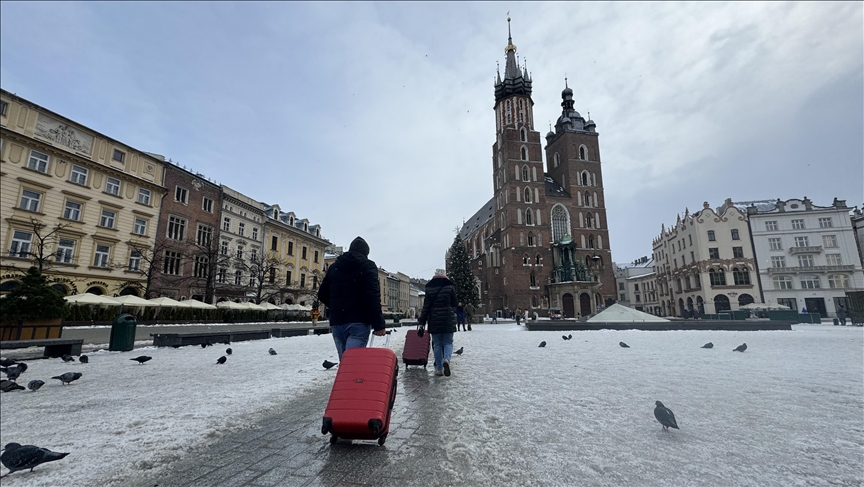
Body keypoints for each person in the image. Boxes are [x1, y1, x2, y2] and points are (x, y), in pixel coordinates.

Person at [317, 237, 385, 360]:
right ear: (366, 253)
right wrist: (378, 324)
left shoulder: (334, 267)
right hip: (359, 321)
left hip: (338, 321)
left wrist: (336, 306)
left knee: (345, 364)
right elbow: (372, 295)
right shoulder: (367, 266)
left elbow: (322, 294)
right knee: (353, 364)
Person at [417, 270, 457, 377]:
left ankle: (439, 369)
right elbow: (454, 303)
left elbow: (426, 308)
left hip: (434, 319)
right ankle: (447, 359)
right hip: (448, 318)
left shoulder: (429, 289)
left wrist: (421, 323)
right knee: (448, 343)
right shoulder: (450, 288)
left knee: (437, 344)